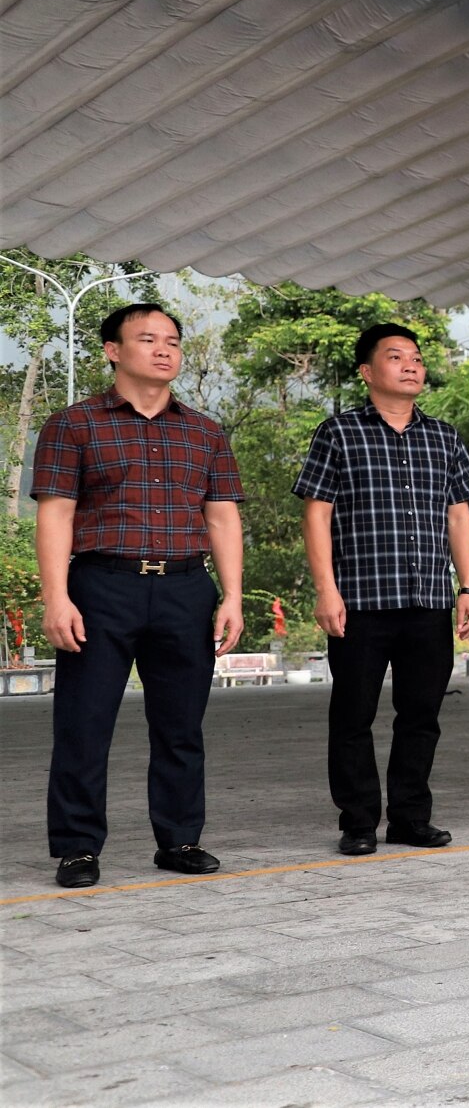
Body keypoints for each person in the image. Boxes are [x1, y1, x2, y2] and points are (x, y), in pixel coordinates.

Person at [32, 303, 244, 889]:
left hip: (185, 587)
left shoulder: (205, 431)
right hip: (102, 586)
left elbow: (223, 518)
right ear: (112, 350)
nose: (163, 350)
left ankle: (179, 838)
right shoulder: (73, 424)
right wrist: (57, 597)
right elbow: (55, 515)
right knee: (84, 721)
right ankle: (77, 848)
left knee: (181, 726)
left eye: (172, 341)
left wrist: (232, 596)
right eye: (147, 339)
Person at [296, 323, 469, 857]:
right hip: (359, 601)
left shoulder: (443, 436)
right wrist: (326, 589)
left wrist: (467, 586)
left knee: (421, 715)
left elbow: (459, 515)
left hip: (428, 600)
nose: (411, 366)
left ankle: (409, 818)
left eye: (417, 358)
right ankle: (358, 822)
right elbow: (317, 514)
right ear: (367, 371)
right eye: (396, 357)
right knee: (352, 716)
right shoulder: (338, 433)